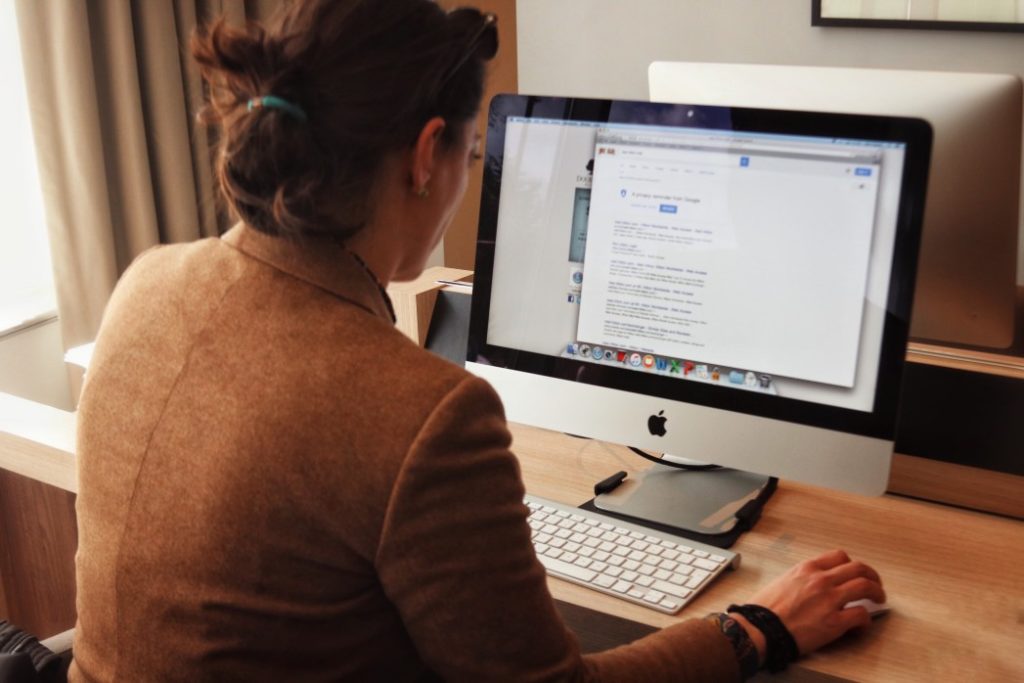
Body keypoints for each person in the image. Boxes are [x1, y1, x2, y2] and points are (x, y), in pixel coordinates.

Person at [69, 1, 887, 680]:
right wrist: (757, 628)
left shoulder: (147, 282)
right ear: (428, 155)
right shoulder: (423, 413)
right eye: (472, 150)